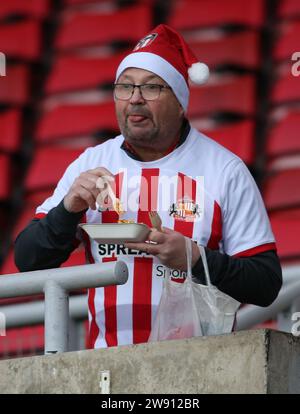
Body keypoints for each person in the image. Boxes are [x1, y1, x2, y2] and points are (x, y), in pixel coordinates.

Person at [14, 24, 282, 348]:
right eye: (124, 87)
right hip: (107, 373)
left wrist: (195, 258)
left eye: (152, 88)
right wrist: (68, 210)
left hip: (202, 371)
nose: (135, 99)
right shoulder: (90, 162)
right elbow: (28, 259)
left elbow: (266, 283)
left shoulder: (224, 169)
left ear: (181, 102)